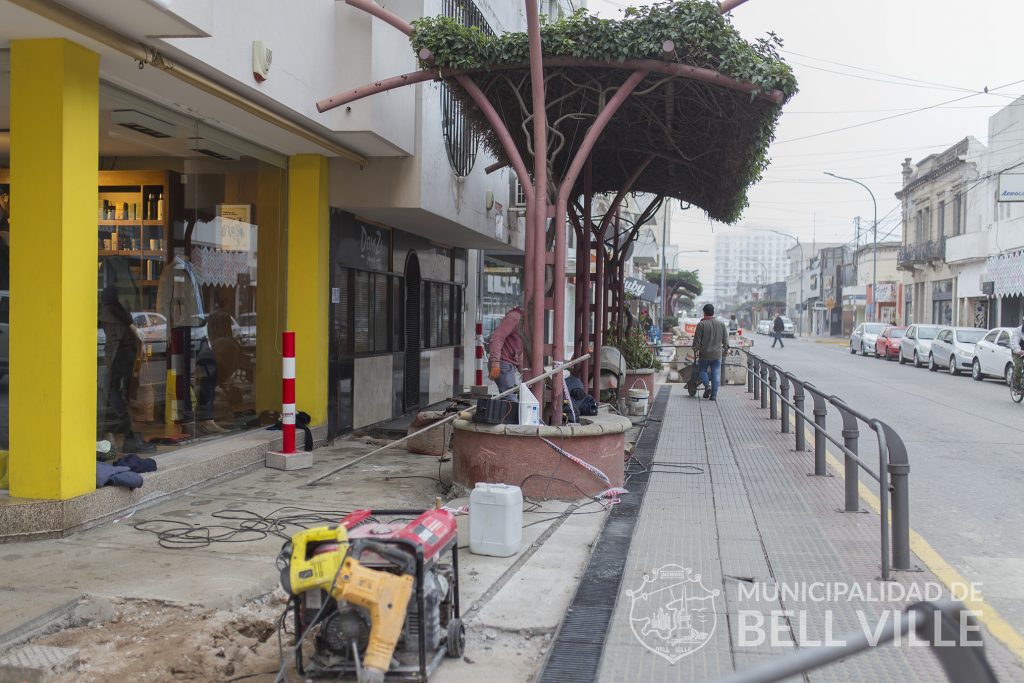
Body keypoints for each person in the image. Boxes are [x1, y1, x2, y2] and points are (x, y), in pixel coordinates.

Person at [692, 303, 729, 400]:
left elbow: (697, 340)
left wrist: (695, 349)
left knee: (702, 371)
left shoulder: (701, 324)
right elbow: (725, 339)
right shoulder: (721, 324)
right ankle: (713, 395)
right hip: (717, 354)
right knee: (716, 373)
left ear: (704, 312)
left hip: (704, 354)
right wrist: (726, 348)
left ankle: (707, 386)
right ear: (713, 312)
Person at [488, 306, 525, 396]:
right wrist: (495, 363)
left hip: (507, 364)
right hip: (503, 363)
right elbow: (497, 337)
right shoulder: (514, 317)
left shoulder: (522, 319)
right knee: (510, 398)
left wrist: (522, 369)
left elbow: (518, 348)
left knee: (511, 398)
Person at [1012, 322, 1024, 389]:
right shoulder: (1018, 330)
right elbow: (1014, 342)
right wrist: (1018, 351)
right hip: (1018, 352)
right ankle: (1017, 384)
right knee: (1019, 366)